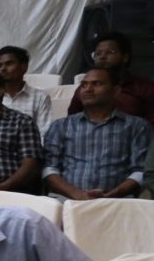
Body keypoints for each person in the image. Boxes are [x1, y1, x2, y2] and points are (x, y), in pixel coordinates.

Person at [43, 66, 151, 200]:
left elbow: (140, 171)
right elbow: (49, 168)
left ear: (116, 91)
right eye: (84, 85)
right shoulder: (61, 126)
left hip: (118, 201)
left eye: (97, 84)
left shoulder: (137, 126)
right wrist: (78, 195)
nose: (88, 89)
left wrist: (115, 193)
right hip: (66, 201)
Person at [67, 31, 154, 122]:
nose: (102, 57)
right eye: (98, 53)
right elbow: (71, 122)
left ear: (125, 57)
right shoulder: (86, 89)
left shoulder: (144, 88)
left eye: (110, 52)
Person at [0, 45, 54, 133]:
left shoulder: (40, 97)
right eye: (0, 65)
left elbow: (44, 133)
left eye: (9, 64)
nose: (3, 69)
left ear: (24, 67)